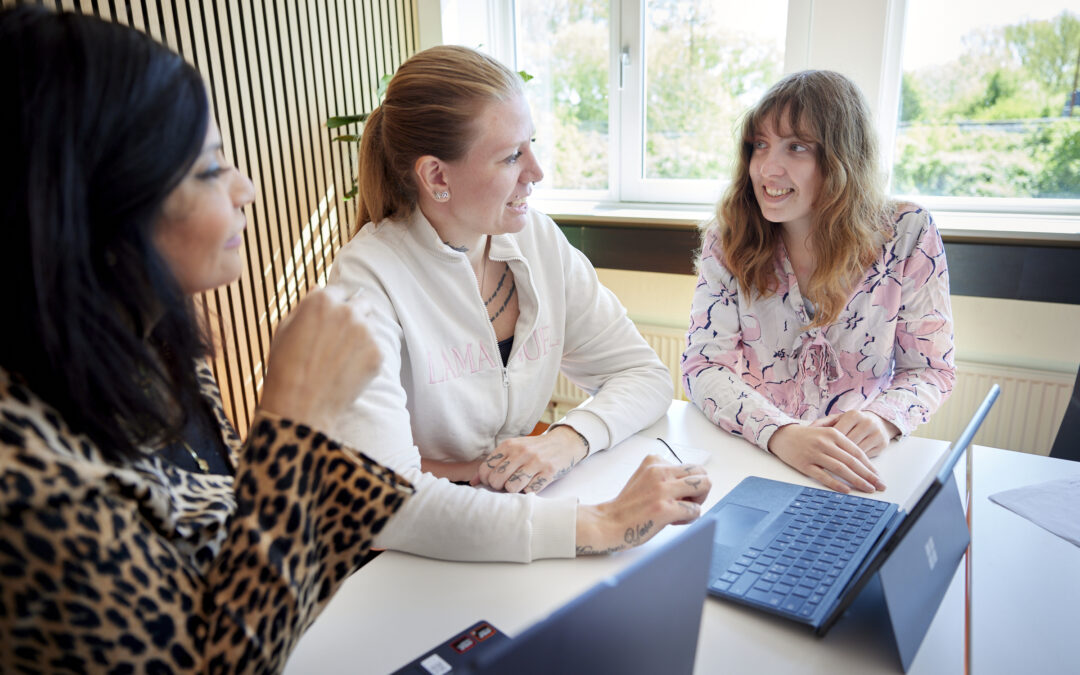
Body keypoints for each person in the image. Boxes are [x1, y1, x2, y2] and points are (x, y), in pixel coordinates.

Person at [0, 7, 412, 672]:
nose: (245, 189)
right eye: (210, 168)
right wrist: (298, 421)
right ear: (97, 206)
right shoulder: (27, 482)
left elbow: (229, 573)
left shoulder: (154, 352)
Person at [326, 45, 710, 562]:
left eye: (531, 144)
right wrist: (600, 522)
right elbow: (386, 501)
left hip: (510, 508)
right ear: (437, 177)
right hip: (403, 556)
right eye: (511, 156)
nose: (537, 171)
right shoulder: (366, 279)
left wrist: (566, 440)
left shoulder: (539, 242)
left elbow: (643, 375)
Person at [682, 70, 956, 494]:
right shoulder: (729, 237)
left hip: (854, 467)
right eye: (760, 145)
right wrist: (781, 434)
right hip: (754, 456)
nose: (767, 169)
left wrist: (884, 420)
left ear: (842, 157)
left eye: (796, 147)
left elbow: (930, 369)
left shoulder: (908, 232)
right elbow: (704, 366)